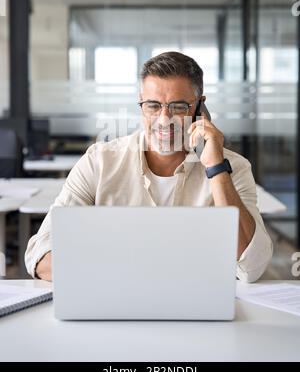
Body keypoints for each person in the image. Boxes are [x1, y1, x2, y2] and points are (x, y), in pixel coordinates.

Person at [25, 51, 273, 282]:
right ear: (141, 104)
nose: (164, 120)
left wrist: (216, 169)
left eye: (178, 106)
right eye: (153, 106)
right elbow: (40, 254)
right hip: (115, 304)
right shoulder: (99, 162)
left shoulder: (234, 167)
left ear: (200, 107)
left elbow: (252, 266)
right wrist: (123, 272)